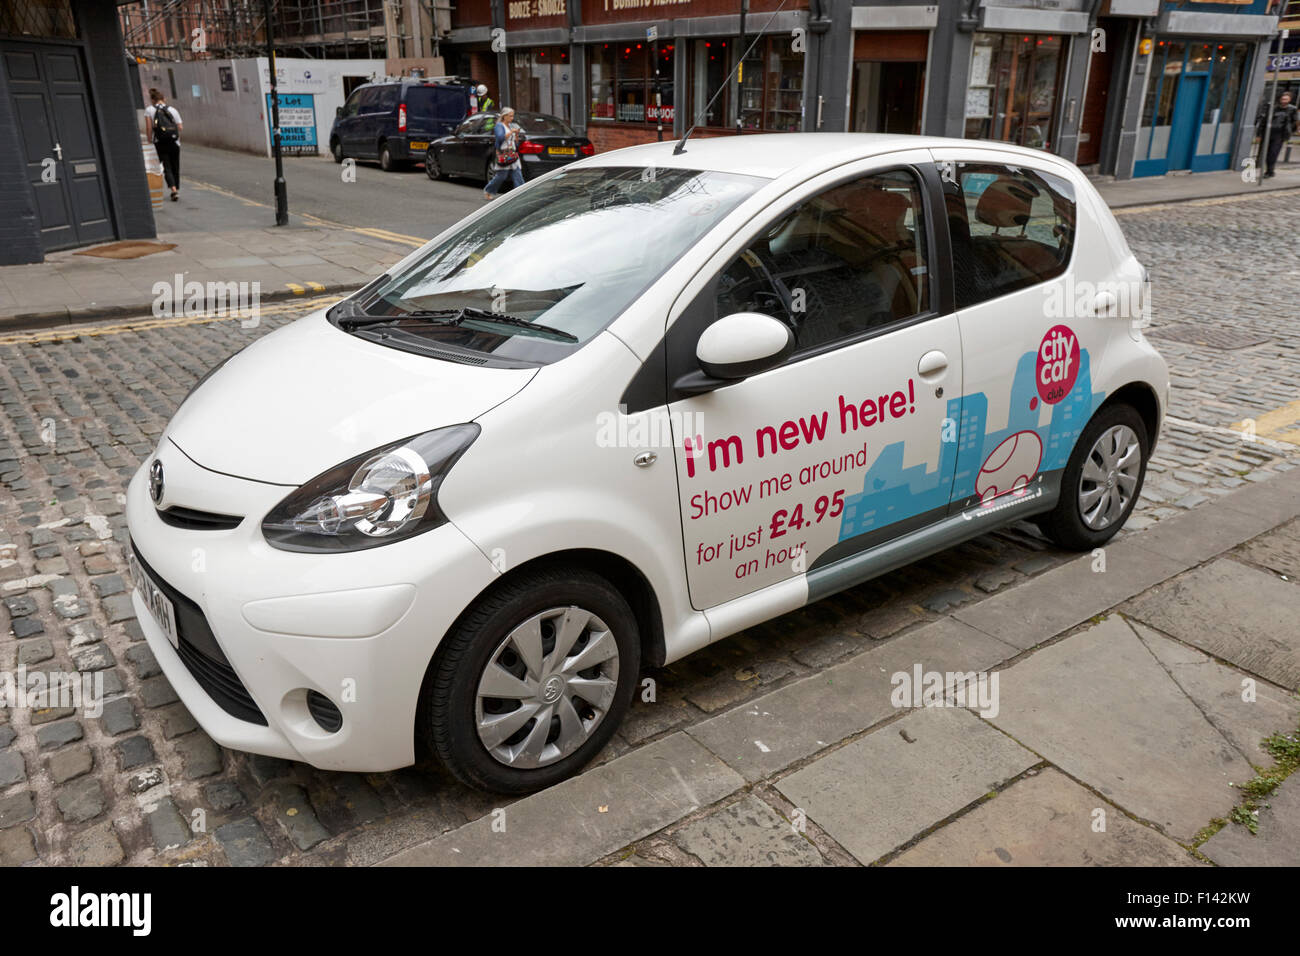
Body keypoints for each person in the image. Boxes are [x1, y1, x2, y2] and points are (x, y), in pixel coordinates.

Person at [144, 88, 183, 201]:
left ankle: (173, 189)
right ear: (164, 99)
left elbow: (148, 127)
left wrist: (149, 139)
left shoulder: (149, 110)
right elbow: (180, 127)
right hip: (174, 142)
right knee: (175, 165)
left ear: (152, 99)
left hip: (160, 142)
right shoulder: (173, 110)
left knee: (167, 166)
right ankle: (176, 188)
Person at [483, 107, 524, 201]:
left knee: (518, 175)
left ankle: (521, 195)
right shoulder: (499, 126)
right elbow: (500, 138)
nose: (512, 118)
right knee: (501, 176)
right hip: (504, 154)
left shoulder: (510, 126)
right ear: (504, 116)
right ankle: (488, 190)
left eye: (513, 116)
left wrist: (516, 135)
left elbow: (515, 143)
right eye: (510, 116)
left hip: (512, 154)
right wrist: (511, 132)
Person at [1256, 91, 1298, 179]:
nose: (1284, 100)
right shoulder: (1273, 108)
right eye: (1283, 98)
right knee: (1265, 153)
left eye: (1286, 99)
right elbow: (1264, 120)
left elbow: (1295, 122)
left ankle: (1270, 171)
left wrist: (1290, 130)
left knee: (1273, 153)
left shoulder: (1292, 109)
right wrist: (1259, 134)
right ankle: (1267, 170)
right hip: (1268, 132)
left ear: (1289, 100)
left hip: (1280, 134)